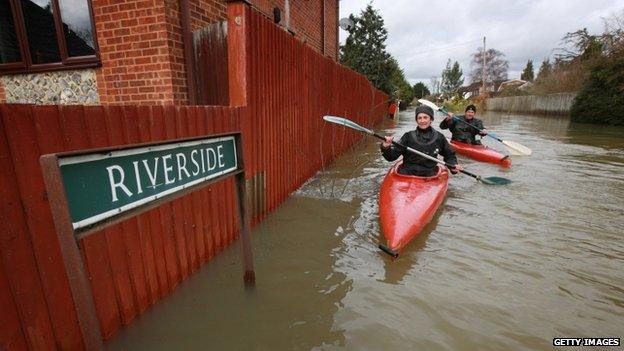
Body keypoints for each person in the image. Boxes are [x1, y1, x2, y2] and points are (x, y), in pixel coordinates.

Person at [380, 105, 461, 176]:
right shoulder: (408, 136)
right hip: (406, 174)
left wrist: (453, 165)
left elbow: (449, 155)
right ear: (416, 120)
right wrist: (385, 147)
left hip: (429, 175)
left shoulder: (439, 137)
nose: (422, 121)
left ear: (431, 119)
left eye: (425, 117)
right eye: (419, 118)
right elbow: (391, 157)